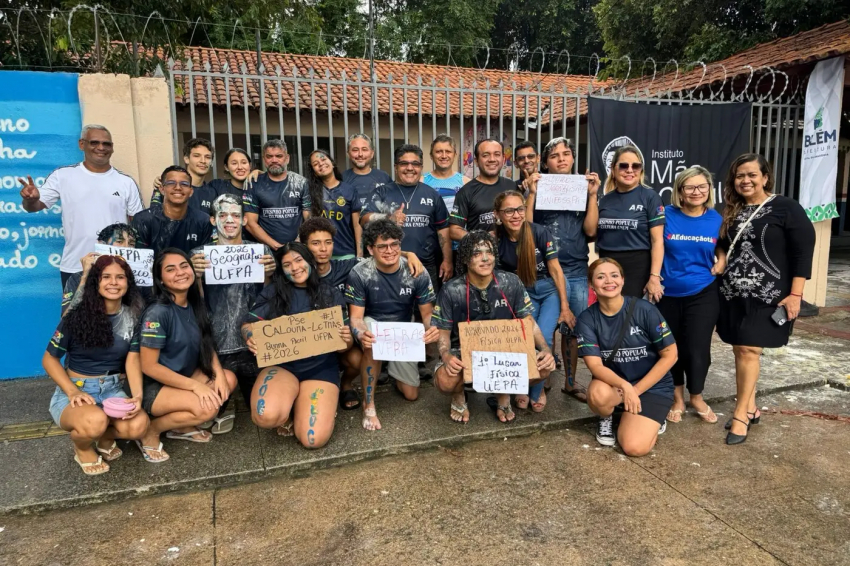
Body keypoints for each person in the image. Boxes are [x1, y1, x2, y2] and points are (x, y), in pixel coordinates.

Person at [717, 154, 815, 445]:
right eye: (739, 176)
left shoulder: (785, 207)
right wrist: (721, 261)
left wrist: (796, 294)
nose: (745, 181)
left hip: (769, 295)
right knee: (741, 350)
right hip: (734, 292)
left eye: (751, 175)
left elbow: (802, 251)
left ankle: (740, 414)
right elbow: (722, 245)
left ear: (765, 177)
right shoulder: (731, 210)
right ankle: (750, 406)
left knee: (749, 350)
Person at [298, 217, 427, 410]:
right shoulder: (296, 272)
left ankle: (349, 383)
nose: (323, 249)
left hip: (344, 337)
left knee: (406, 391)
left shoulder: (348, 267)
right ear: (305, 246)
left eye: (328, 242)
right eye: (316, 243)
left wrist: (410, 254)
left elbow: (383, 251)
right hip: (311, 340)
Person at [432, 231, 556, 423]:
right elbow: (443, 332)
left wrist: (546, 349)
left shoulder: (511, 282)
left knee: (544, 368)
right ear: (465, 259)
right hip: (463, 352)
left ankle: (503, 394)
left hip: (504, 350)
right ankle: (458, 396)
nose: (484, 258)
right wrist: (446, 355)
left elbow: (529, 322)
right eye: (476, 253)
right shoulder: (451, 290)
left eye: (489, 252)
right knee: (445, 380)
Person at [43, 255, 150, 475]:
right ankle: (82, 449)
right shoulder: (75, 316)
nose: (113, 282)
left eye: (120, 277)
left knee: (138, 425)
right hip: (77, 388)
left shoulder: (133, 316)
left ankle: (105, 437)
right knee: (94, 421)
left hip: (112, 388)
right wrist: (72, 392)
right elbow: (49, 359)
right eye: (106, 277)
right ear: (95, 282)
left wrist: (137, 396)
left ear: (128, 282)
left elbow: (132, 358)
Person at [242, 243, 352, 447]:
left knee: (312, 439)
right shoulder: (273, 291)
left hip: (320, 368)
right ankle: (288, 408)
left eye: (299, 260)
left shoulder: (329, 293)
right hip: (283, 366)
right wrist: (250, 335)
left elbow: (345, 346)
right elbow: (248, 324)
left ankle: (314, 406)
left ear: (309, 261)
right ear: (281, 270)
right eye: (286, 264)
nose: (294, 268)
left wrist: (346, 338)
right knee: (264, 415)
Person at [134, 248, 238, 462]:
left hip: (183, 377)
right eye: (170, 269)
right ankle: (151, 430)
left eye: (184, 266)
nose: (180, 272)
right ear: (161, 280)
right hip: (155, 386)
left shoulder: (193, 303)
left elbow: (207, 343)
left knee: (228, 379)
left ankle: (179, 428)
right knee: (207, 410)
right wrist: (195, 386)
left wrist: (217, 374)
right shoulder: (158, 312)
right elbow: (149, 367)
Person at [18, 124, 144, 289]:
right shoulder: (63, 176)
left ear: (112, 148)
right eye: (94, 142)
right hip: (75, 266)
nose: (101, 148)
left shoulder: (126, 182)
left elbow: (139, 225)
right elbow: (33, 207)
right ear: (81, 144)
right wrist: (30, 199)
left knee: (116, 315)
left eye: (106, 144)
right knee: (77, 314)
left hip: (116, 268)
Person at [190, 194, 275, 433]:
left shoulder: (259, 251)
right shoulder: (198, 255)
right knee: (212, 404)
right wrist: (194, 277)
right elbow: (192, 302)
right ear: (212, 220)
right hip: (216, 345)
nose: (230, 220)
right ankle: (226, 406)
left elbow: (271, 298)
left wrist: (270, 273)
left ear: (245, 220)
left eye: (236, 215)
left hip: (253, 343)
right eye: (223, 215)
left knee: (262, 408)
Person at [577, 258, 678, 455]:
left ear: (622, 280)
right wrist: (625, 387)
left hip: (651, 385)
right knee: (597, 395)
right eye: (600, 277)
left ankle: (654, 416)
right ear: (592, 285)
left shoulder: (645, 310)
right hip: (616, 385)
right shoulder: (587, 319)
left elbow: (670, 355)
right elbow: (595, 367)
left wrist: (636, 390)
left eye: (614, 275)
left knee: (634, 447)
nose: (609, 281)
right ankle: (607, 415)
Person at [525, 137, 600, 401]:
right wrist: (532, 194)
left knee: (572, 329)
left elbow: (591, 231)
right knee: (543, 330)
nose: (561, 158)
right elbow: (526, 229)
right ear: (545, 162)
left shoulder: (583, 187)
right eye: (555, 155)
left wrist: (592, 196)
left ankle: (570, 382)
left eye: (566, 153)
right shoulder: (538, 186)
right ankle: (542, 376)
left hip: (576, 270)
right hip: (542, 272)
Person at [346, 219, 439, 431]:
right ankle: (368, 404)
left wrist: (431, 328)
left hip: (403, 329)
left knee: (411, 394)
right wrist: (361, 334)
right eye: (382, 246)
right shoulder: (360, 273)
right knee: (371, 337)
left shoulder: (417, 271)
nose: (390, 251)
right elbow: (356, 318)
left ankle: (395, 371)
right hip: (374, 323)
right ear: (370, 249)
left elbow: (426, 313)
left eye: (395, 244)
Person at [657, 166, 725, 425]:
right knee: (670, 347)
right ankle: (677, 398)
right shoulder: (666, 215)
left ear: (709, 190)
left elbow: (722, 245)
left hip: (703, 291)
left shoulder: (716, 219)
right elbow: (654, 244)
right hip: (667, 293)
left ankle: (696, 396)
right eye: (690, 187)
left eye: (701, 187)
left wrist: (722, 257)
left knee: (697, 349)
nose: (696, 192)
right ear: (680, 192)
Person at [493, 190, 568, 412]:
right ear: (498, 214)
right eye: (509, 210)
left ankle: (538, 390)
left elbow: (555, 269)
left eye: (519, 209)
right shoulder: (495, 238)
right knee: (525, 338)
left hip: (549, 290)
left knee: (544, 336)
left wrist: (565, 306)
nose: (515, 215)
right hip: (523, 292)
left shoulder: (540, 232)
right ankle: (523, 386)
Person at [362, 144, 453, 292]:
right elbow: (363, 219)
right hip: (389, 266)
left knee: (427, 311)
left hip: (425, 266)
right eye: (404, 163)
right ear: (396, 167)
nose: (410, 168)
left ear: (421, 167)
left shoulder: (432, 194)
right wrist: (388, 218)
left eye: (415, 164)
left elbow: (443, 230)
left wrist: (447, 261)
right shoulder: (382, 192)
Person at [596, 145, 665, 300]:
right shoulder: (604, 200)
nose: (629, 170)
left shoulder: (650, 197)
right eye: (623, 166)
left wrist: (654, 277)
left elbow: (658, 241)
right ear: (613, 170)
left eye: (636, 166)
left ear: (641, 170)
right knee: (609, 313)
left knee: (631, 316)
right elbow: (592, 234)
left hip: (638, 266)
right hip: (607, 263)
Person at [132, 166, 215, 256]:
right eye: (171, 183)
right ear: (162, 189)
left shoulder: (203, 221)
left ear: (191, 191)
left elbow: (205, 260)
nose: (178, 187)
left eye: (184, 184)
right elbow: (139, 262)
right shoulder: (143, 220)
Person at [243, 139, 310, 250]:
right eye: (269, 156)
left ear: (287, 158)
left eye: (279, 156)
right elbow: (250, 223)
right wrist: (276, 246)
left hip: (298, 249)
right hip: (266, 251)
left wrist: (297, 244)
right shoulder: (254, 184)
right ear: (264, 160)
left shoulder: (302, 183)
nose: (274, 160)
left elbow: (308, 218)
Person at [62, 222, 138, 315]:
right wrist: (85, 276)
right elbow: (65, 319)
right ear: (102, 245)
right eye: (119, 241)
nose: (126, 248)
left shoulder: (140, 278)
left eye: (131, 243)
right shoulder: (77, 278)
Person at [448, 139, 517, 243]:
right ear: (476, 161)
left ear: (503, 159)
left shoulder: (512, 186)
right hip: (482, 256)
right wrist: (481, 239)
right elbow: (454, 231)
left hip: (512, 254)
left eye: (497, 154)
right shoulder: (466, 191)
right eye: (485, 155)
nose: (492, 159)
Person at [306, 149, 362, 259]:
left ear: (332, 163)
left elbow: (357, 225)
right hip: (319, 253)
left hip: (346, 253)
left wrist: (359, 254)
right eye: (316, 164)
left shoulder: (349, 190)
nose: (321, 164)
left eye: (323, 159)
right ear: (314, 173)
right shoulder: (309, 191)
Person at [151, 138, 217, 214]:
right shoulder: (169, 186)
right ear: (186, 159)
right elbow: (153, 217)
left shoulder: (212, 192)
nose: (203, 161)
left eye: (208, 157)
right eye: (197, 156)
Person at [422, 134, 470, 215]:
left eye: (448, 151)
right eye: (438, 152)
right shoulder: (422, 181)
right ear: (431, 156)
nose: (444, 156)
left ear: (455, 155)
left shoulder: (466, 182)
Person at [342, 134, 392, 209]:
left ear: (372, 153)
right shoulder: (342, 179)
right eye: (355, 150)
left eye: (364, 149)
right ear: (348, 154)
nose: (360, 154)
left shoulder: (383, 177)